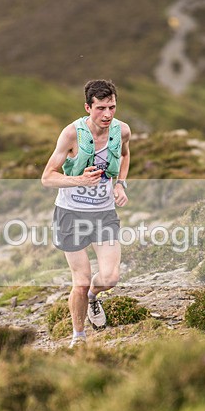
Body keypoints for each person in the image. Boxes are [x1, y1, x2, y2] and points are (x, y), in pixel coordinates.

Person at [41, 80, 131, 348]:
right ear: (87, 107)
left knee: (111, 278)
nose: (107, 114)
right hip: (71, 214)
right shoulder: (71, 134)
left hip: (104, 214)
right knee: (79, 282)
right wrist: (79, 180)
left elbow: (125, 156)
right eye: (100, 108)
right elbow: (47, 177)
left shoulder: (122, 131)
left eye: (112, 107)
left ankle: (94, 296)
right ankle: (78, 336)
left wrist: (120, 184)